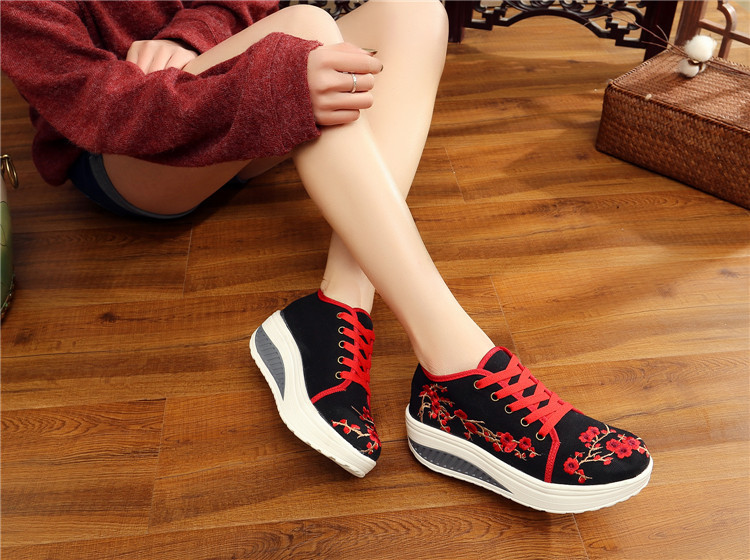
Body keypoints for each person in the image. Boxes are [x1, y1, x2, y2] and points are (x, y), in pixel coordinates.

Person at [0, 0, 652, 514]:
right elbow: (95, 105)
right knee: (307, 32)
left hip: (231, 112)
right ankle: (455, 363)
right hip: (133, 152)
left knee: (414, 10)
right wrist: (268, 82)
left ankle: (340, 304)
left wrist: (191, 39)